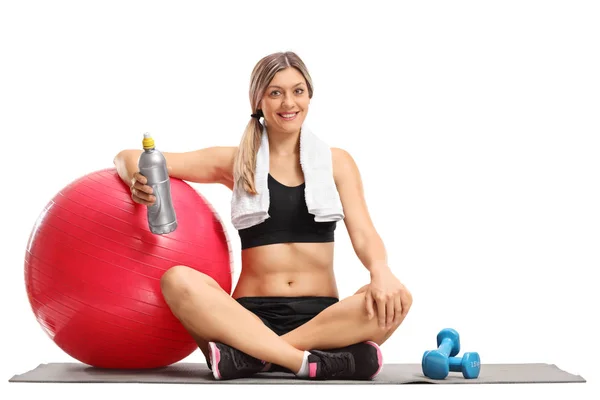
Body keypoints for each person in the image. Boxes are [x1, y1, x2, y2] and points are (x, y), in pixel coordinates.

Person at [113, 51, 413, 381]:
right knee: (177, 280)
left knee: (396, 298)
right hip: (248, 316)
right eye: (275, 92)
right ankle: (310, 361)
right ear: (258, 101)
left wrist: (381, 271)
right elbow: (130, 156)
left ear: (310, 96)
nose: (289, 102)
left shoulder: (336, 162)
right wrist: (135, 180)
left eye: (298, 91)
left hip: (323, 317)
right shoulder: (235, 161)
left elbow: (364, 233)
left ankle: (254, 356)